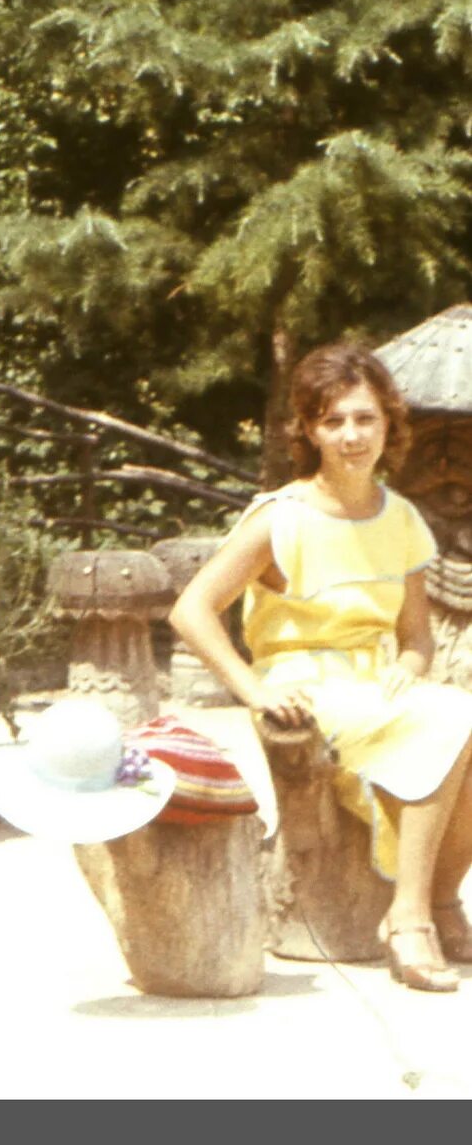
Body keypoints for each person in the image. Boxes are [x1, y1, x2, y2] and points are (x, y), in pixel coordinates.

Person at [169, 341, 472, 992]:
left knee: (456, 717)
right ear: (307, 429)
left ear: (389, 422)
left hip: (375, 687)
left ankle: (440, 897)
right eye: (331, 421)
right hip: (301, 686)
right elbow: (190, 610)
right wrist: (249, 689)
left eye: (364, 418)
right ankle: (412, 916)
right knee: (456, 716)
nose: (350, 436)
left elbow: (414, 637)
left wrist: (410, 668)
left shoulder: (402, 520)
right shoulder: (281, 517)